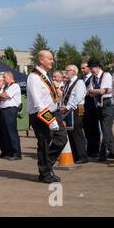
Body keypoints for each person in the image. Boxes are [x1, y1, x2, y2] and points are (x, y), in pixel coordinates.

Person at [27, 51, 67, 183]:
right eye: (50, 59)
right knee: (44, 144)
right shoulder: (34, 77)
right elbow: (38, 103)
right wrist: (50, 120)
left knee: (62, 139)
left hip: (55, 112)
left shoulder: (46, 75)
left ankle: (46, 166)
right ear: (41, 60)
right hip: (41, 116)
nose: (52, 61)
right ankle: (45, 173)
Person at [87, 59, 114, 162]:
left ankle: (103, 153)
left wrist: (97, 91)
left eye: (92, 69)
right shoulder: (93, 78)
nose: (92, 71)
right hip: (99, 105)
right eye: (90, 69)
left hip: (108, 104)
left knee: (106, 129)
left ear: (98, 67)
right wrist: (99, 91)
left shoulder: (107, 75)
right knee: (106, 129)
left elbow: (103, 90)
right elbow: (91, 92)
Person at [60, 65, 88, 164]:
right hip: (67, 111)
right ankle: (75, 155)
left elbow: (78, 97)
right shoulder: (67, 83)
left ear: (74, 71)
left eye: (67, 70)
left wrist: (67, 107)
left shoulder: (79, 82)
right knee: (70, 133)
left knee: (77, 133)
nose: (65, 72)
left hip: (75, 111)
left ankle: (82, 156)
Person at [0, 72, 22, 160]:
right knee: (5, 133)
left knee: (11, 132)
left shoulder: (15, 86)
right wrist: (0, 96)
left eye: (5, 77)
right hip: (4, 110)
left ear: (10, 77)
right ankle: (8, 152)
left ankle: (17, 153)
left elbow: (5, 96)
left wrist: (0, 96)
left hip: (11, 110)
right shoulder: (6, 87)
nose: (3, 79)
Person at [81, 61, 100, 158]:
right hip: (84, 104)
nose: (82, 70)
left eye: (84, 68)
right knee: (86, 128)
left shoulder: (93, 78)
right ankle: (89, 149)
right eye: (81, 68)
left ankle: (96, 150)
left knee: (94, 127)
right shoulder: (81, 79)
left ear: (88, 68)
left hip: (91, 103)